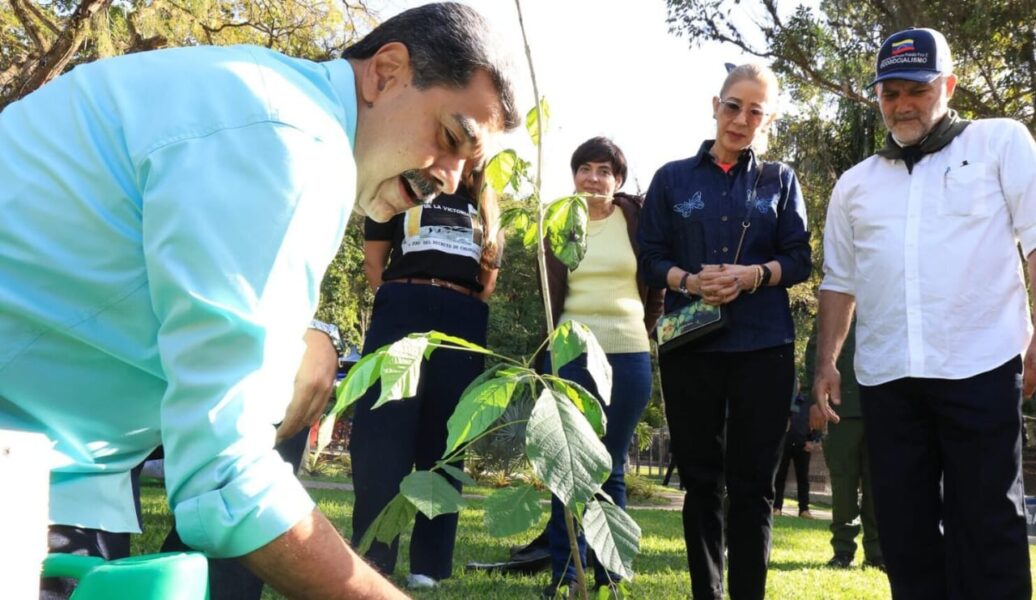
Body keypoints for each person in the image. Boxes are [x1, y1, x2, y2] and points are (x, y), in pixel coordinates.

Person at [0, 3, 519, 598]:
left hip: (60, 468)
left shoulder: (271, 104)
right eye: (451, 138)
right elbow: (224, 477)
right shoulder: (292, 143)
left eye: (468, 165)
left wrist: (311, 340)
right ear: (386, 73)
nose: (451, 179)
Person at [812, 27, 1036, 599]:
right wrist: (827, 364)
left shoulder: (1001, 143)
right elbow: (839, 283)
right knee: (905, 533)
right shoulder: (854, 186)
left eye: (916, 88)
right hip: (890, 380)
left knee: (988, 526)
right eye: (890, 93)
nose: (902, 104)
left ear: (948, 85)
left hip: (981, 366)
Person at [638, 63, 811, 599]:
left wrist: (755, 275)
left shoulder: (780, 180)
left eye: (756, 111)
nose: (742, 119)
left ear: (769, 119)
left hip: (765, 345)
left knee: (754, 486)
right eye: (734, 106)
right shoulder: (672, 178)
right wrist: (689, 279)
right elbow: (649, 257)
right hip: (692, 345)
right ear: (715, 105)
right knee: (702, 481)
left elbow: (799, 260)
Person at [350, 171, 502, 590]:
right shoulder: (401, 187)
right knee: (382, 436)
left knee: (447, 439)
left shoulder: (486, 204)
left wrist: (449, 300)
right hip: (402, 306)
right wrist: (411, 296)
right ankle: (374, 555)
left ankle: (429, 566)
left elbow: (487, 279)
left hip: (462, 317)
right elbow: (374, 264)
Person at [539, 137, 664, 598]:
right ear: (574, 175)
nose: (594, 178)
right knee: (568, 466)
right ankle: (567, 576)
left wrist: (639, 331)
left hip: (629, 353)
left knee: (610, 467)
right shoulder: (558, 221)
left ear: (618, 179)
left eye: (604, 170)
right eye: (585, 168)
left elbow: (654, 288)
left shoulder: (635, 219)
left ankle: (613, 576)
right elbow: (550, 289)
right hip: (571, 352)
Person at [803, 321, 882, 570]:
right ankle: (843, 551)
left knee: (877, 485)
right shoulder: (836, 303)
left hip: (882, 409)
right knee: (842, 482)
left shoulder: (886, 300)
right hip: (841, 410)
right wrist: (814, 401)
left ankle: (877, 553)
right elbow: (815, 353)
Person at [772, 385, 816, 519]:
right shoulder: (780, 400)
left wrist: (812, 440)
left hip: (803, 445)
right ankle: (776, 507)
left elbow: (816, 422)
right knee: (779, 477)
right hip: (783, 444)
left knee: (803, 479)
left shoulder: (806, 402)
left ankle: (804, 510)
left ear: (799, 386)